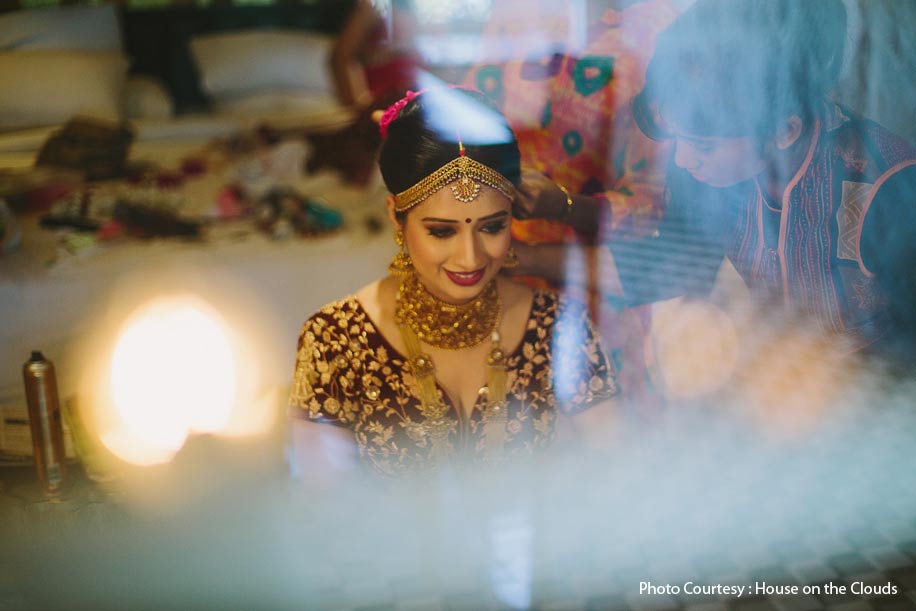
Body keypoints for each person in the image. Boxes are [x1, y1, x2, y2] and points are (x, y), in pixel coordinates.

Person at [513, 0, 916, 371]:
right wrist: (523, 258)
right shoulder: (714, 176)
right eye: (677, 138)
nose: (683, 160)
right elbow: (669, 265)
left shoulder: (884, 191)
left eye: (702, 145)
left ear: (785, 131)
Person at [289, 87, 618, 478]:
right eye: (442, 232)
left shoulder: (557, 324)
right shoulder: (337, 338)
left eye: (492, 227)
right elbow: (322, 503)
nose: (470, 258)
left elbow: (618, 477)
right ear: (396, 217)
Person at [463, 0, 690, 406]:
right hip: (502, 276)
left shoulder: (655, 32)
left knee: (598, 419)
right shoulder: (514, 13)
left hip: (600, 289)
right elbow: (474, 110)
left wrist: (563, 207)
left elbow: (654, 201)